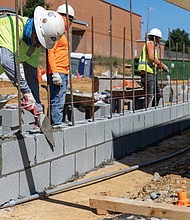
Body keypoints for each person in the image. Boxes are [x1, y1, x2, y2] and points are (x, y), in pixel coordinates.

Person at [0, 6, 64, 114]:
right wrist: (26, 91)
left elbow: (32, 77)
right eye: (39, 40)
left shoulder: (33, 45)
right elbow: (6, 61)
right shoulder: (10, 25)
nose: (39, 45)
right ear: (35, 28)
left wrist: (37, 106)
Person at [47, 4, 75, 126]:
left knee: (59, 98)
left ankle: (56, 122)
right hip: (58, 71)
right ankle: (57, 124)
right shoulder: (56, 32)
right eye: (71, 19)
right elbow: (50, 52)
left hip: (62, 71)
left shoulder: (61, 33)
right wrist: (55, 73)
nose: (71, 23)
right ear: (63, 17)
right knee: (58, 99)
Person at [138, 28, 170, 108]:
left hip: (151, 74)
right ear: (155, 38)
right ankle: (145, 112)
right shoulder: (150, 43)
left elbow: (152, 61)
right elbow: (152, 58)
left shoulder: (152, 46)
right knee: (150, 95)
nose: (159, 42)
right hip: (147, 74)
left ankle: (153, 110)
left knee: (158, 95)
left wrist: (159, 67)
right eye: (159, 39)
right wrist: (162, 65)